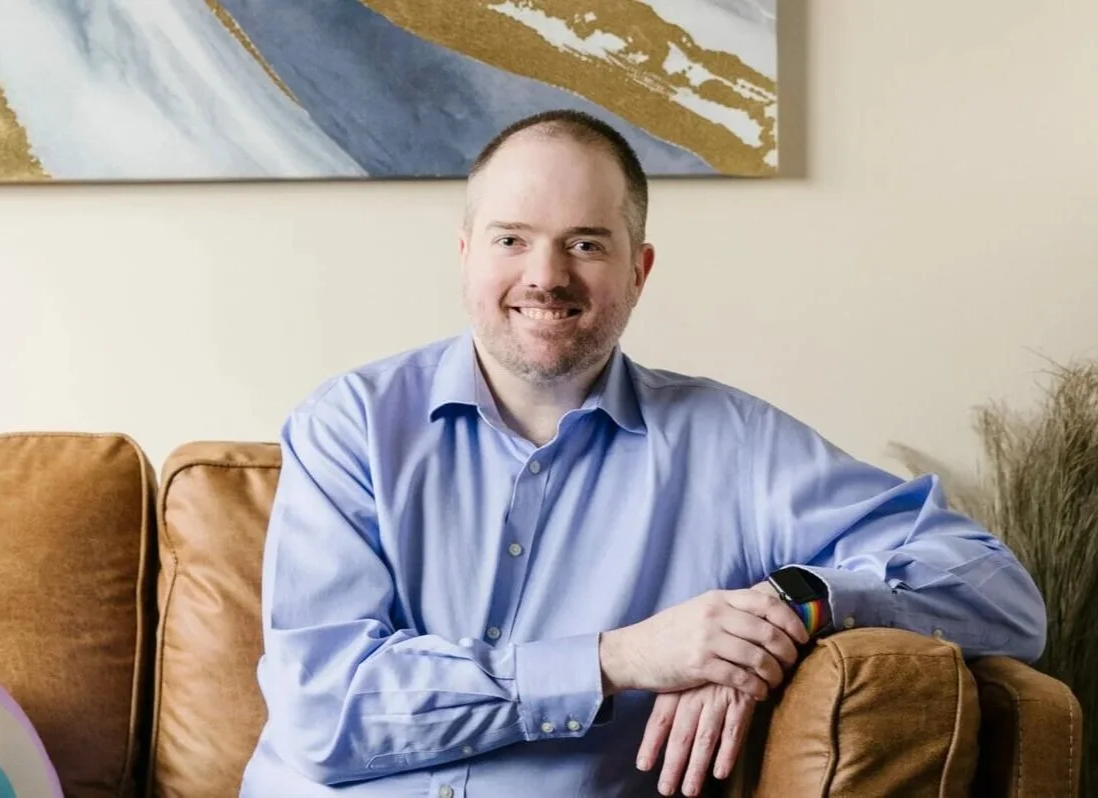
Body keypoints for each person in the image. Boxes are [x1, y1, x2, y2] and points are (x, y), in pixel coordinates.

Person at [242, 109, 1047, 797]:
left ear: (640, 269)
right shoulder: (351, 425)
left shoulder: (731, 445)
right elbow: (324, 710)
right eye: (512, 239)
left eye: (586, 244)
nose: (545, 276)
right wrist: (623, 658)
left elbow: (1000, 596)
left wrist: (788, 604)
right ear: (466, 256)